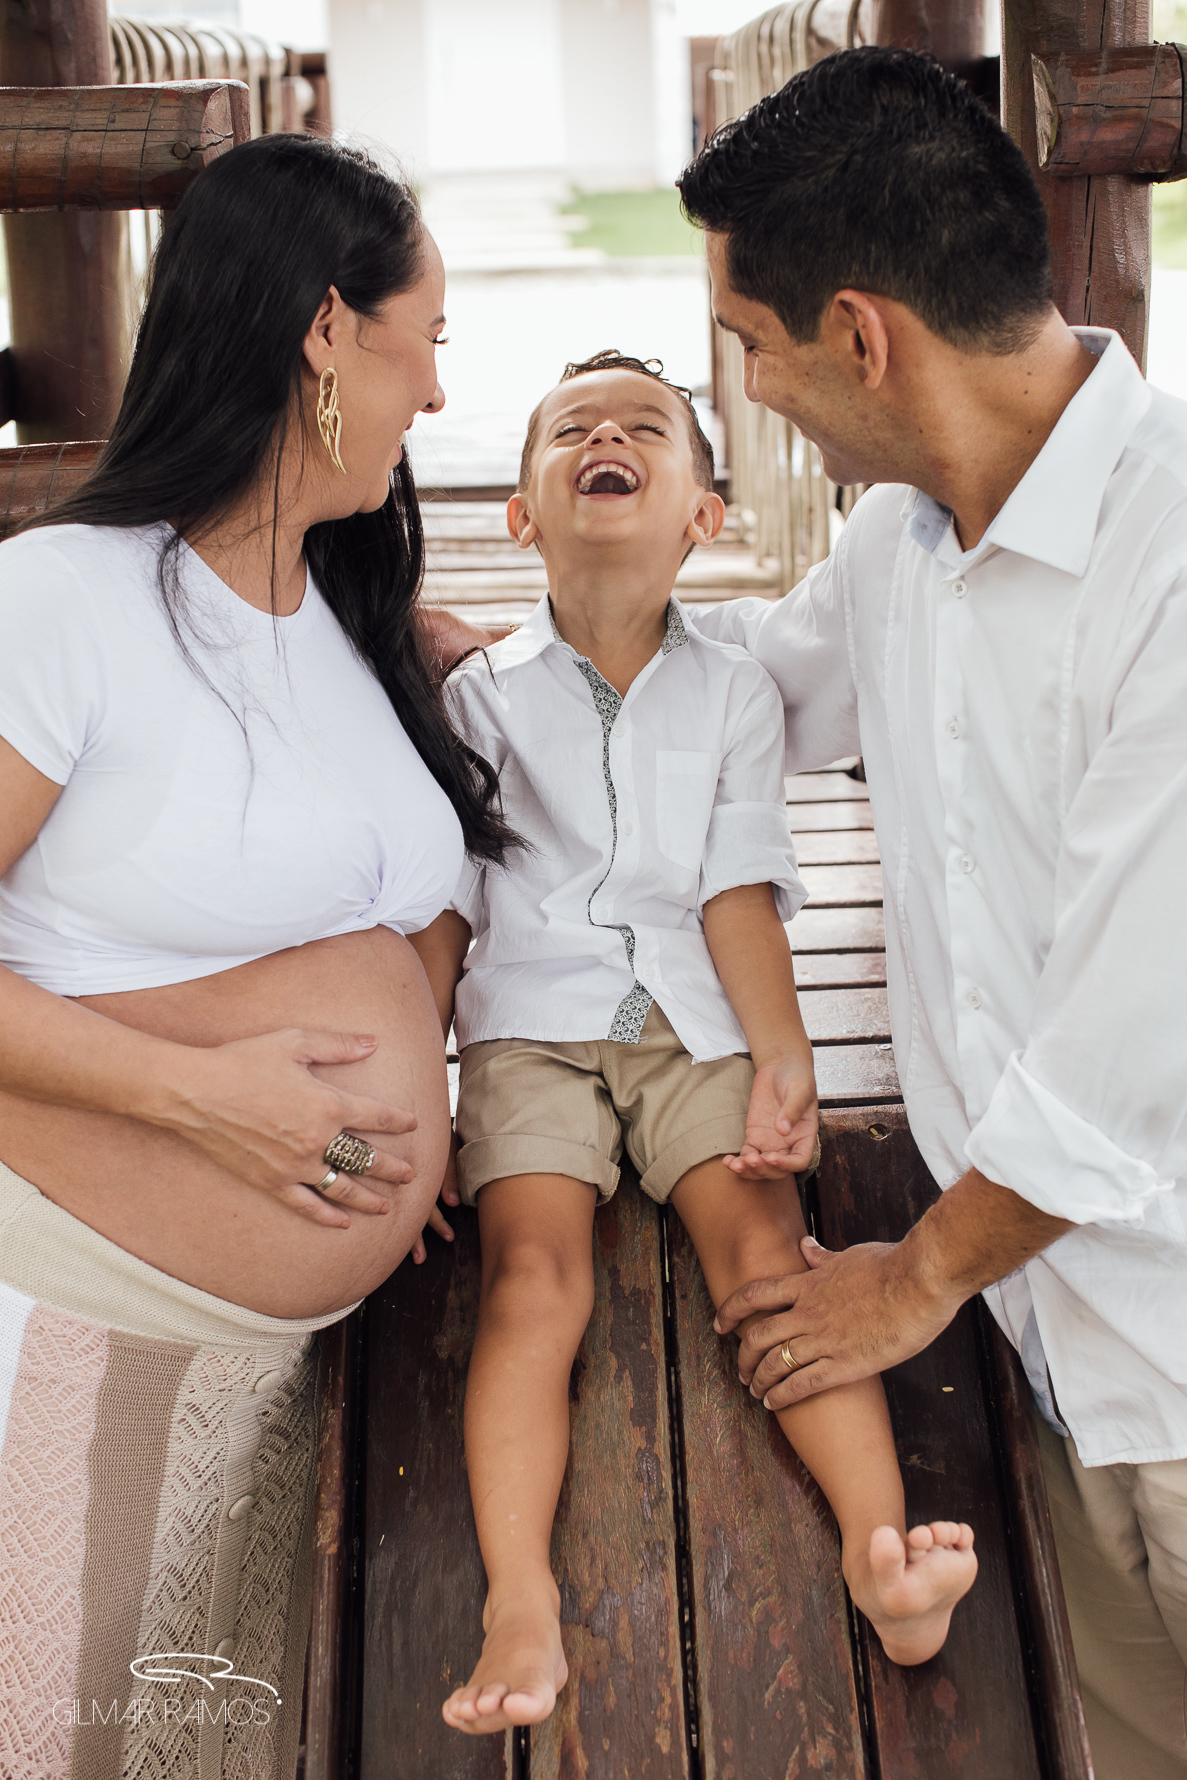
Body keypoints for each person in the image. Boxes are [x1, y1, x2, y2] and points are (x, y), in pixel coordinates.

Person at [669, 47, 1187, 1780]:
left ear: (863, 335)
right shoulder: (904, 541)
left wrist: (909, 1287)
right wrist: (494, 664)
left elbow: (1133, 1039)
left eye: (753, 346)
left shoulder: (1171, 554)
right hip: (1061, 1346)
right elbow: (743, 690)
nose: (757, 391)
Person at [0, 135, 511, 1780]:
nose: (440, 389)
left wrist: (405, 1097)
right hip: (74, 1316)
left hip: (277, 1350)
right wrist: (202, 1101)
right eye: (425, 335)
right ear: (322, 335)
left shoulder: (358, 625)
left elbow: (400, 913)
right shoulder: (61, 604)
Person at [412, 349, 977, 1738]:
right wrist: (409, 1092)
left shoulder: (732, 691)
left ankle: (880, 1553)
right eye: (573, 432)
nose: (607, 437)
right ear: (523, 514)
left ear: (705, 518)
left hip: (693, 1021)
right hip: (531, 1033)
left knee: (765, 1256)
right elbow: (442, 906)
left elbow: (737, 884)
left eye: (646, 429)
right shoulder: (478, 700)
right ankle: (521, 1597)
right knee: (533, 1282)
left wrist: (782, 1053)